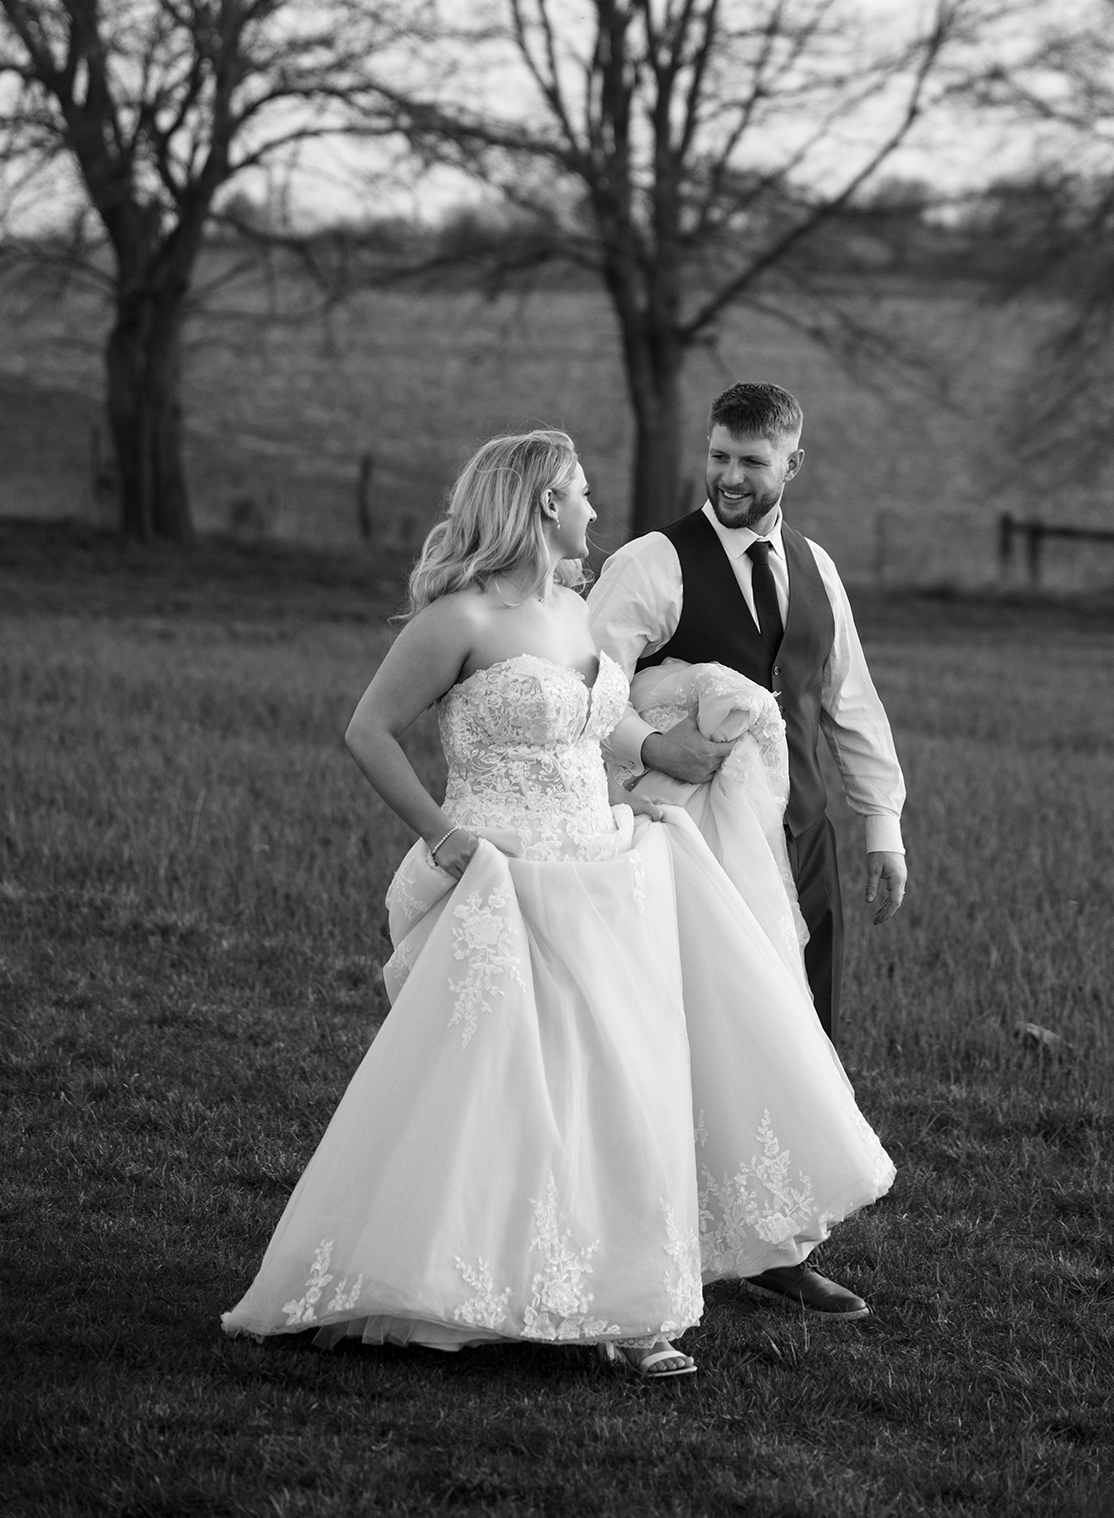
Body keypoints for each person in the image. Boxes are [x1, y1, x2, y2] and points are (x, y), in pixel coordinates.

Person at [221, 430, 893, 1381]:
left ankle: (631, 1305)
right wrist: (447, 838)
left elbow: (597, 723)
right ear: (543, 504)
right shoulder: (459, 620)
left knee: (625, 1080)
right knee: (506, 1093)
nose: (592, 508)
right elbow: (368, 731)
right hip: (509, 876)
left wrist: (656, 768)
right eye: (579, 492)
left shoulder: (576, 612)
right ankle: (460, 1278)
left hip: (603, 867)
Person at [586, 381, 906, 1321]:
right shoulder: (651, 563)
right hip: (691, 847)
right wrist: (647, 748)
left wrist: (881, 827)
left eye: (751, 462)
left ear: (791, 466)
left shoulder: (817, 569)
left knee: (802, 1037)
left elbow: (849, 705)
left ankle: (783, 1244)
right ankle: (658, 1227)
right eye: (719, 456)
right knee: (689, 1035)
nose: (729, 476)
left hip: (803, 844)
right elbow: (582, 688)